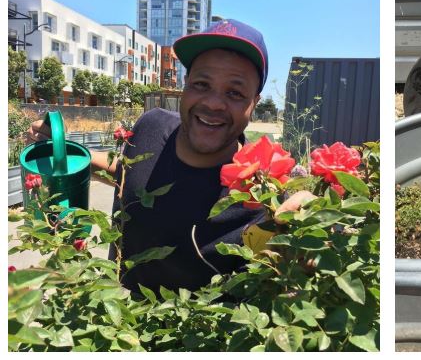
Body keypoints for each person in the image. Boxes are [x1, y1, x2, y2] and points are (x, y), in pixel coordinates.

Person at [25, 18, 313, 293]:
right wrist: (65, 149)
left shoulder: (264, 192)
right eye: (202, 84)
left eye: (235, 93)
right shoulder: (152, 125)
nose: (213, 103)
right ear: (185, 85)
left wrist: (320, 221)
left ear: (255, 103)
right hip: (115, 322)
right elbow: (128, 172)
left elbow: (310, 225)